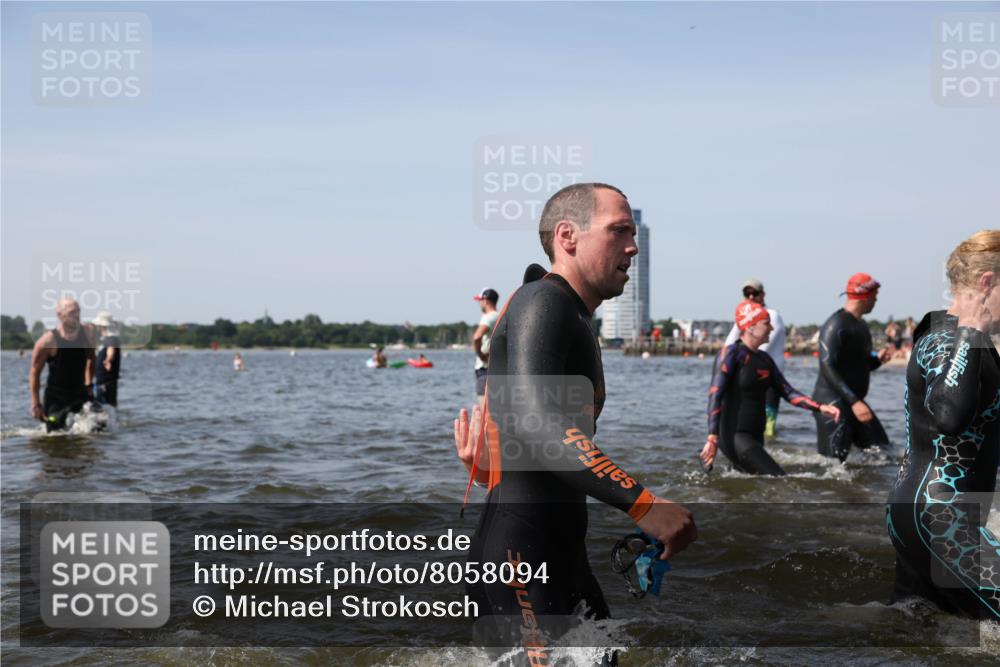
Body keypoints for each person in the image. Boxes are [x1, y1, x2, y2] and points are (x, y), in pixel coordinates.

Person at [453, 183, 696, 659]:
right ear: (568, 236)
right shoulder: (544, 302)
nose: (633, 246)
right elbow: (535, 418)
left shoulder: (572, 314)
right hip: (521, 557)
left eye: (633, 233)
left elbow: (529, 430)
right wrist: (642, 503)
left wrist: (489, 469)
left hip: (558, 550)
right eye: (619, 231)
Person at [886, 230, 1000, 620]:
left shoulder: (959, 340)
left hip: (925, 515)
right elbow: (948, 416)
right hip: (941, 519)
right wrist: (971, 331)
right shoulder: (948, 339)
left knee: (919, 632)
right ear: (987, 282)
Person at [701, 300, 840, 476]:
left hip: (755, 436)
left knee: (752, 485)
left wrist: (820, 407)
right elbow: (715, 395)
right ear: (750, 327)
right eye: (766, 323)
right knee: (780, 481)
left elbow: (787, 391)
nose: (772, 328)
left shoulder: (765, 359)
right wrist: (712, 438)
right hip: (734, 436)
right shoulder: (730, 354)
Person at [813, 273, 894, 462]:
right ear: (865, 296)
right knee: (833, 466)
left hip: (852, 402)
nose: (876, 300)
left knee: (884, 454)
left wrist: (877, 360)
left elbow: (859, 366)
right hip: (833, 404)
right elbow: (827, 366)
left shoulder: (861, 325)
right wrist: (855, 402)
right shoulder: (836, 325)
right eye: (875, 295)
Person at [721, 279, 787, 439]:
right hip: (747, 378)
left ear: (763, 295)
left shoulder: (772, 316)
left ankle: (770, 446)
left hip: (770, 380)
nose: (751, 296)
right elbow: (727, 347)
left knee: (768, 426)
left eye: (755, 293)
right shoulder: (744, 318)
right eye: (747, 293)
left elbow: (759, 350)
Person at [29, 298, 95, 432]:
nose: (76, 315)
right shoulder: (47, 341)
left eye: (78, 311)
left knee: (94, 430)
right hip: (56, 398)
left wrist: (89, 383)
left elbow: (92, 358)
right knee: (55, 433)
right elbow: (35, 373)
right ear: (60, 315)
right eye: (72, 312)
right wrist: (36, 404)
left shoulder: (87, 333)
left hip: (80, 393)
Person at [472, 288, 499, 407]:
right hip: (496, 368)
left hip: (485, 369)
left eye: (480, 300)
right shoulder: (500, 316)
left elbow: (476, 337)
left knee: (485, 410)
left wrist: (480, 354)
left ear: (486, 301)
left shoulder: (488, 317)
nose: (479, 303)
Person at [92, 311, 121, 407]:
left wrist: (108, 359)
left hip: (106, 384)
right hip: (102, 382)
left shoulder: (112, 339)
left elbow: (111, 350)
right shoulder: (105, 340)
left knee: (105, 407)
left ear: (102, 326)